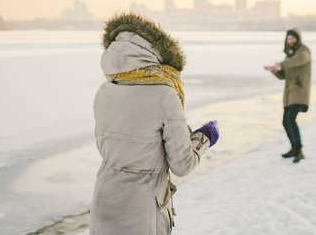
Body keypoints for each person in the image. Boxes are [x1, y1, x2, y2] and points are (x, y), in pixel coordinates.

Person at [89, 13, 219, 235]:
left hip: (104, 205)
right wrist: (204, 136)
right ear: (156, 53)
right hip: (142, 214)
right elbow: (182, 164)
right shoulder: (165, 94)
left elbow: (112, 147)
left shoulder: (105, 89)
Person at [264, 28, 311, 163]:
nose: (291, 41)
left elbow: (300, 60)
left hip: (299, 92)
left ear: (298, 39)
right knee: (286, 121)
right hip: (290, 94)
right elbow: (284, 75)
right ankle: (294, 148)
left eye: (293, 38)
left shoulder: (303, 51)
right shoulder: (289, 56)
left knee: (291, 119)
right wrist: (275, 71)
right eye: (289, 39)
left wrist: (282, 64)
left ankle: (299, 150)